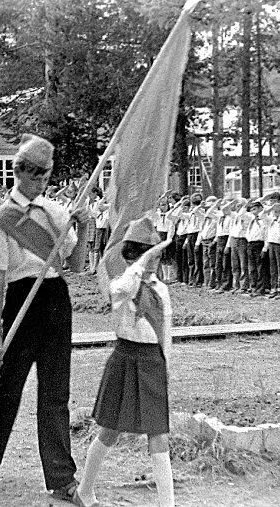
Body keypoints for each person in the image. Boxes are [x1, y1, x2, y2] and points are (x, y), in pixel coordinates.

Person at [0, 134, 90, 502]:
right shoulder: (0, 221)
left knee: (56, 394)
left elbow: (77, 264)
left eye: (46, 174)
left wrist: (85, 227)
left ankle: (60, 478)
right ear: (18, 171)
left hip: (55, 299)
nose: (41, 181)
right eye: (35, 173)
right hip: (21, 299)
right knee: (10, 386)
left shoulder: (55, 212)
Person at [75, 217, 174, 507]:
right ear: (132, 254)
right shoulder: (124, 285)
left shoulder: (161, 290)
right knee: (110, 430)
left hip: (152, 362)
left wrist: (167, 366)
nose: (153, 260)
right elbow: (118, 290)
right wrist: (140, 263)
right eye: (147, 252)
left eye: (156, 253)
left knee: (158, 433)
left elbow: (166, 333)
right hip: (125, 358)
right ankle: (85, 491)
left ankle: (167, 504)